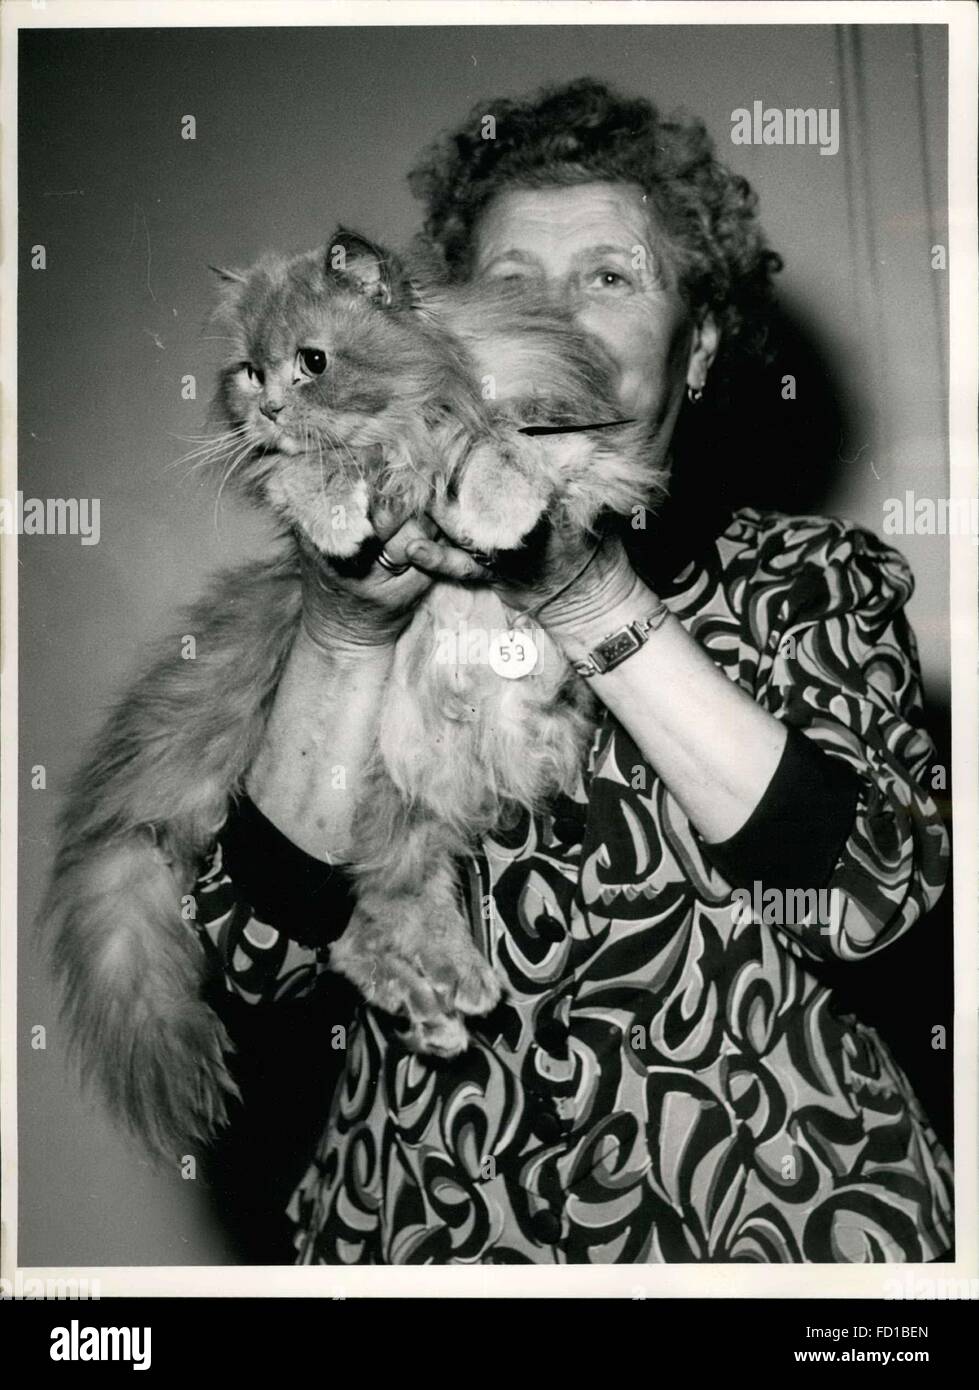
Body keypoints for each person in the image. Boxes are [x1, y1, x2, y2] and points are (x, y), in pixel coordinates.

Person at [192, 78, 953, 1264]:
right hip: (429, 1239)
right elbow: (252, 956)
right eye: (508, 284)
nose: (552, 314)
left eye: (610, 275)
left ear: (696, 348)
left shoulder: (809, 574)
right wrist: (343, 633)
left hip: (773, 1235)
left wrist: (581, 587)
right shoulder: (353, 569)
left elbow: (876, 900)